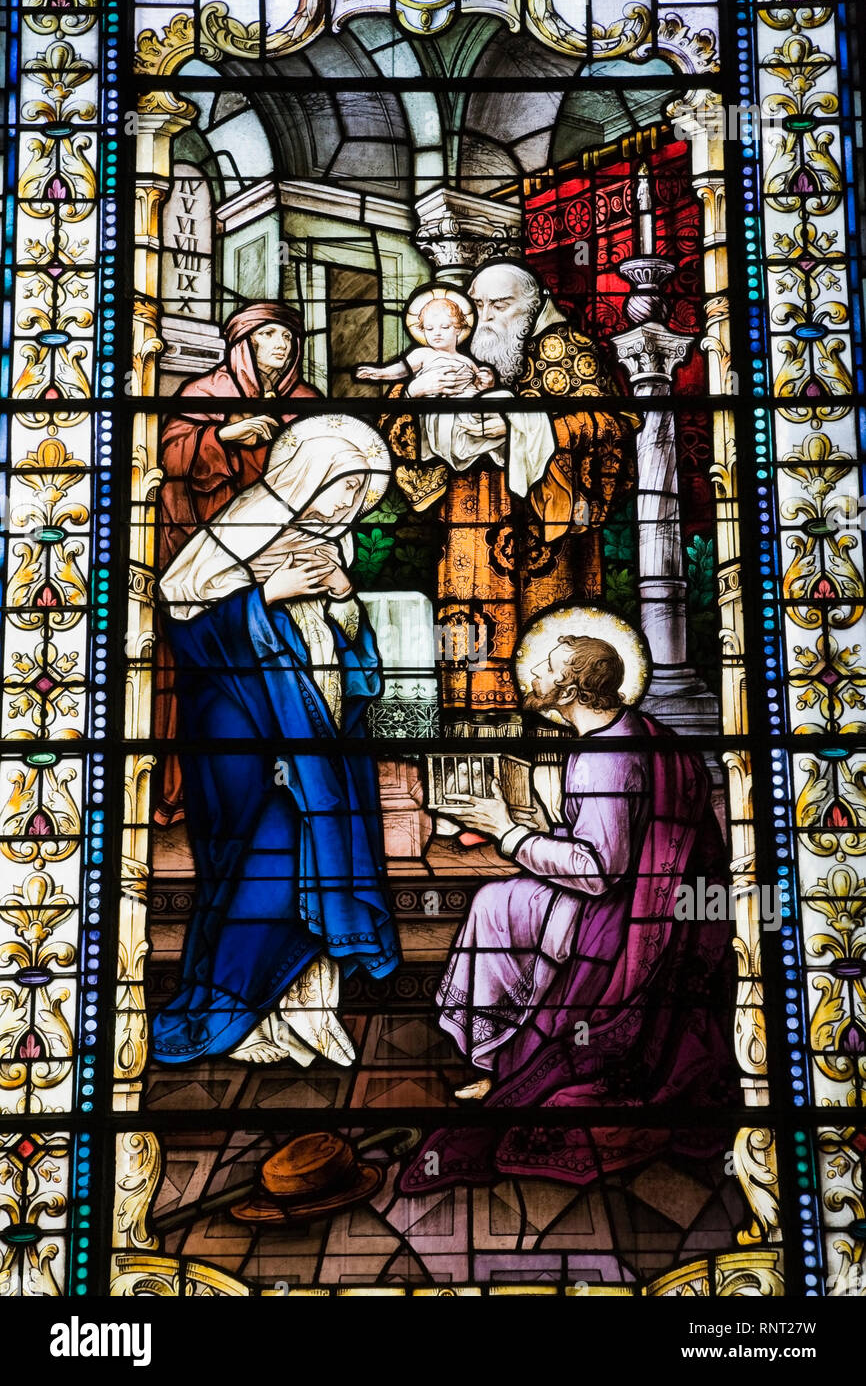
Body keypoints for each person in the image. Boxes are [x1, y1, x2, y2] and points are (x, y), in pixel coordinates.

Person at [400, 608, 736, 1190]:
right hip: (649, 895)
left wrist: (509, 833)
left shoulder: (604, 756)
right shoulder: (634, 731)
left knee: (495, 906)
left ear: (573, 689)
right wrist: (540, 830)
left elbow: (598, 870)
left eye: (545, 670)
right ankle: (500, 1055)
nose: (531, 678)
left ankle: (500, 1063)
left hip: (619, 916)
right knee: (501, 900)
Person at [151, 414, 400, 1066]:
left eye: (360, 495)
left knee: (315, 863)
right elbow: (186, 623)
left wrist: (345, 603)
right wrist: (265, 597)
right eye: (341, 487)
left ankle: (309, 1015)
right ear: (303, 476)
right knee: (263, 870)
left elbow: (355, 669)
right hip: (246, 743)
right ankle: (240, 1016)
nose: (348, 505)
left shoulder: (332, 548)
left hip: (319, 745)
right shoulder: (238, 529)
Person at [381, 262, 639, 715]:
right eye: (478, 306)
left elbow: (611, 424)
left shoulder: (567, 350)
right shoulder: (448, 358)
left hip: (547, 525)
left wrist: (523, 427)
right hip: (466, 521)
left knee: (552, 640)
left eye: (500, 306)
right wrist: (414, 398)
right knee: (466, 635)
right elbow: (394, 429)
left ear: (534, 303)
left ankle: (558, 726)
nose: (486, 317)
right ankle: (468, 719)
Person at [154, 301, 321, 825]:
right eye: (269, 335)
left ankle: (291, 790)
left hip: (286, 548)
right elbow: (167, 455)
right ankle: (190, 792)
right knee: (212, 668)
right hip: (210, 551)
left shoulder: (308, 400)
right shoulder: (204, 395)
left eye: (288, 338)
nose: (282, 345)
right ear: (243, 342)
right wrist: (223, 437)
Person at [355, 289, 495, 395]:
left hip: (469, 400)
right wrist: (379, 373)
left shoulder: (467, 360)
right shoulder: (423, 353)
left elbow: (478, 384)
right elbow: (401, 370)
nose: (437, 333)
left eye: (445, 327)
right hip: (439, 406)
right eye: (429, 328)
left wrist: (486, 383)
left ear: (458, 329)